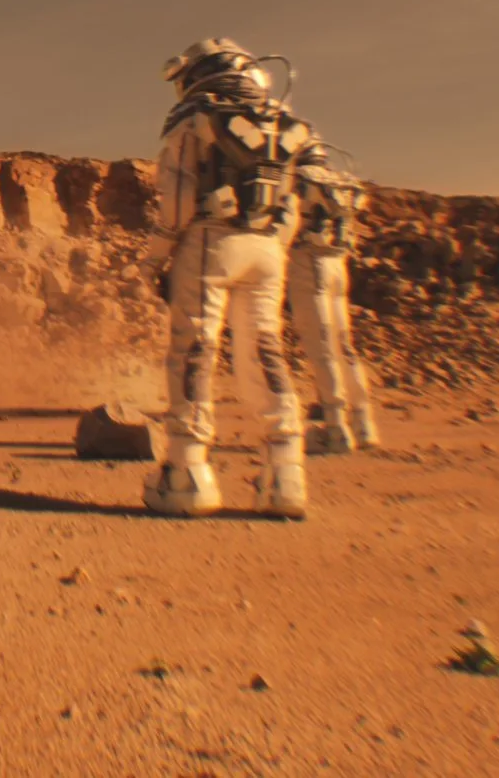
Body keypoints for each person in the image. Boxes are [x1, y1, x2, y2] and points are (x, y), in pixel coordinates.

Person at [143, 38, 317, 519]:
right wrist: (269, 247)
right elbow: (291, 206)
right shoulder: (284, 125)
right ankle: (285, 472)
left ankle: (186, 473)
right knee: (262, 348)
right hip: (266, 248)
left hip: (209, 243)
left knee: (194, 348)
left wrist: (157, 257)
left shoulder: (194, 120)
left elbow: (175, 199)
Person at [289, 141, 383, 454]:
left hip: (309, 263)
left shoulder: (298, 179)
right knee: (344, 347)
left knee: (321, 348)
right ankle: (363, 423)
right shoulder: (346, 184)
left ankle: (335, 427)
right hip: (338, 266)